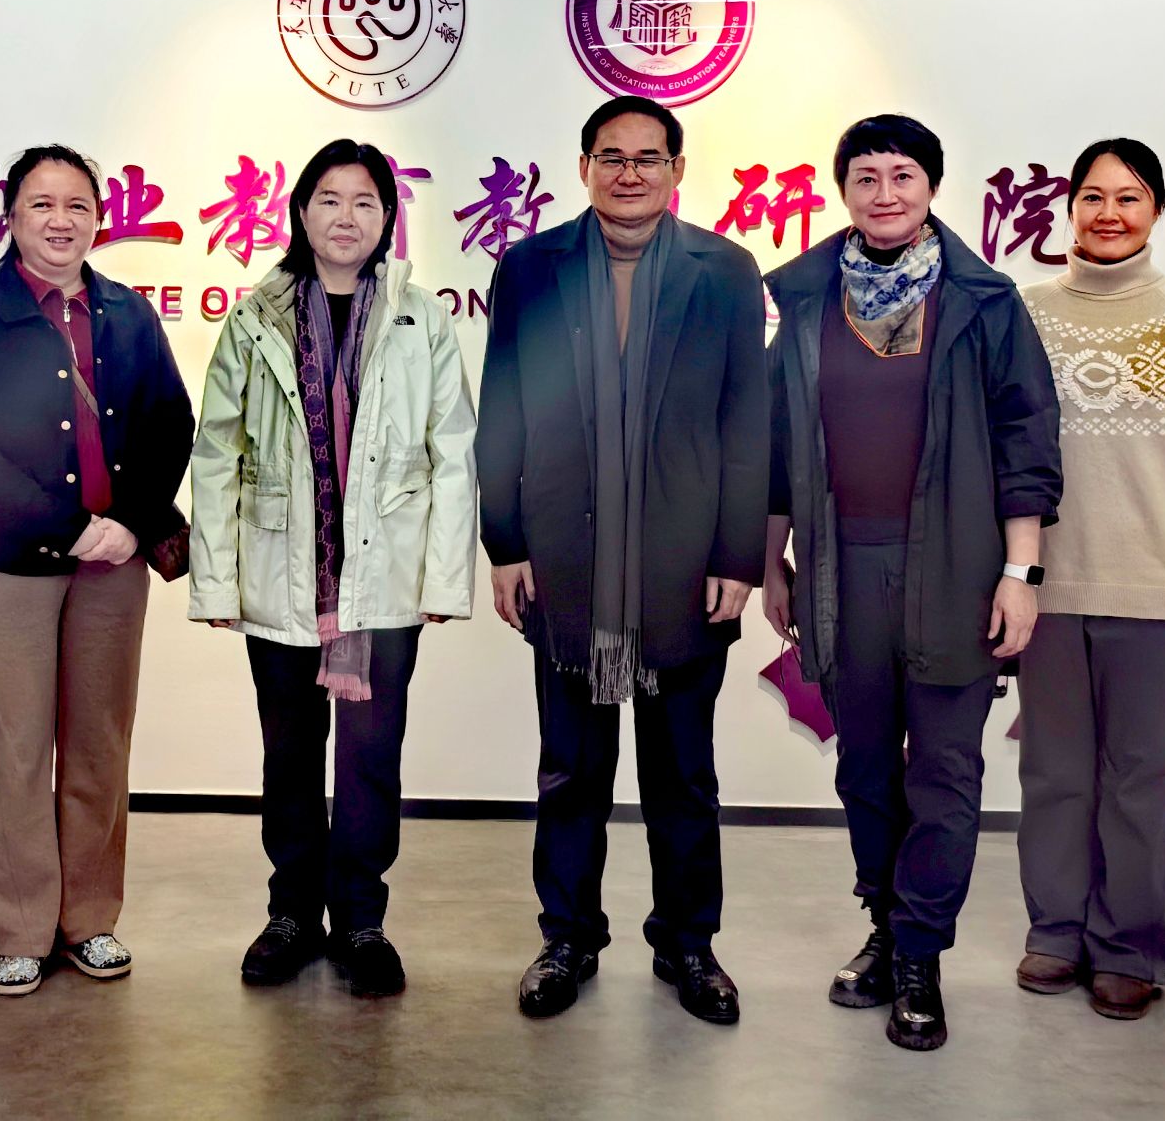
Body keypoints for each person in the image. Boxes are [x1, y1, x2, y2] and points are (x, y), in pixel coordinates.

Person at [763, 114, 1062, 1052]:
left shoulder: (983, 301)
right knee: (862, 765)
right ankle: (885, 930)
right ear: (842, 191)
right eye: (866, 177)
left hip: (958, 567)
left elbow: (1025, 439)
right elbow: (777, 444)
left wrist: (1020, 572)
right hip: (839, 568)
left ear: (931, 187)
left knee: (944, 768)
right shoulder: (806, 298)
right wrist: (773, 560)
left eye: (903, 175)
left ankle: (921, 955)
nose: (884, 193)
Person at [478, 94, 770, 1025]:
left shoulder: (725, 272)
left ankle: (689, 944)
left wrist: (739, 556)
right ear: (584, 168)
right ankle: (567, 938)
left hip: (685, 569)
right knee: (570, 771)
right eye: (612, 156)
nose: (630, 172)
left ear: (677, 170)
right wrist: (504, 542)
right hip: (566, 560)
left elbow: (746, 421)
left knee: (683, 775)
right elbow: (502, 410)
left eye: (649, 157)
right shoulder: (531, 268)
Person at [189, 138, 477, 997]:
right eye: (328, 199)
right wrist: (216, 580)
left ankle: (360, 919)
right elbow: (217, 453)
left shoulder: (421, 319)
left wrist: (442, 580)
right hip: (282, 570)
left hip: (383, 579)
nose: (346, 217)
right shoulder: (256, 318)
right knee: (289, 756)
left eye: (364, 201)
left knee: (370, 758)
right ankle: (290, 914)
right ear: (301, 212)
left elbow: (453, 453)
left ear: (387, 217)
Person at [0, 144, 194, 996]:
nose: (60, 220)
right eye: (41, 204)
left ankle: (90, 920)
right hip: (7, 565)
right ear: (10, 216)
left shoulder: (128, 314)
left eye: (77, 205)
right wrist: (69, 527)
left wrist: (130, 524)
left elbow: (170, 425)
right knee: (13, 749)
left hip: (113, 563)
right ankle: (20, 928)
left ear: (98, 219)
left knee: (98, 745)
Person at [1015, 139, 1165, 1021]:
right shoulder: (1024, 313)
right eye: (1092, 196)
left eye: (1128, 196)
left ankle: (1131, 947)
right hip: (1047, 588)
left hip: (1160, 587)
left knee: (1142, 778)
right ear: (1069, 208)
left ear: (1156, 208)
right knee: (1054, 775)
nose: (1109, 213)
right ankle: (1055, 932)